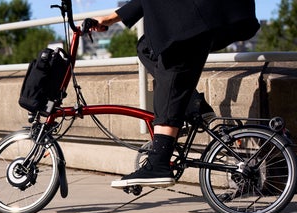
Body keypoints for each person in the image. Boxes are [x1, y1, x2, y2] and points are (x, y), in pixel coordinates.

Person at [93, 0, 260, 188]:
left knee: (171, 77)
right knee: (146, 48)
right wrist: (112, 18)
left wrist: (112, 18)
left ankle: (159, 163)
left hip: (188, 18)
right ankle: (193, 103)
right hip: (195, 15)